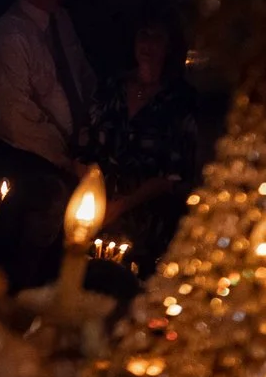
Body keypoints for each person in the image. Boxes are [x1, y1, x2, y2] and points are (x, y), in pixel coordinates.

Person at [0, 0, 98, 288]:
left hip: (71, 152)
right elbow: (16, 118)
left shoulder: (60, 21)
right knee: (29, 243)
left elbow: (80, 76)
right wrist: (64, 159)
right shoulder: (10, 38)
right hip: (32, 160)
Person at [88, 15, 209, 266]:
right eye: (144, 34)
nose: (148, 45)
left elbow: (173, 174)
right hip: (96, 197)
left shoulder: (181, 100)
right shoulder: (113, 87)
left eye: (158, 38)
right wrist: (93, 195)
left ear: (170, 46)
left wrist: (119, 206)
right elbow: (84, 144)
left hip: (147, 207)